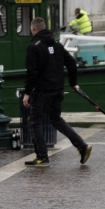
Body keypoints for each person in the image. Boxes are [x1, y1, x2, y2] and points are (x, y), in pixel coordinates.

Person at [22, 15, 91, 166]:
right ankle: (82, 146)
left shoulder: (34, 47)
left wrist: (27, 93)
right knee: (56, 120)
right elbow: (71, 63)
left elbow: (32, 73)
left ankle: (42, 157)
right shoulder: (58, 45)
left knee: (34, 122)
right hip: (58, 90)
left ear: (33, 29)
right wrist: (73, 83)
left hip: (42, 91)